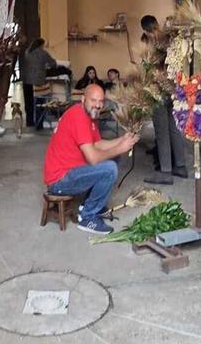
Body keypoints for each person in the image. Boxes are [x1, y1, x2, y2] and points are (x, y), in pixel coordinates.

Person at [43, 84, 139, 234]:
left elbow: (98, 144)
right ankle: (87, 216)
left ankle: (90, 204)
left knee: (114, 158)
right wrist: (120, 148)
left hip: (72, 170)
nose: (98, 105)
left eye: (101, 101)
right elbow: (94, 158)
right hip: (59, 180)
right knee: (110, 168)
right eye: (93, 100)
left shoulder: (90, 115)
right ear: (83, 99)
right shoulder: (79, 117)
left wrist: (122, 140)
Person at [138, 15, 189, 185]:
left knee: (161, 131)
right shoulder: (171, 40)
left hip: (158, 91)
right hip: (174, 89)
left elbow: (149, 69)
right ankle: (180, 167)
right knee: (174, 128)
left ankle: (165, 171)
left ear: (146, 29)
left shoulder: (153, 44)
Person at [20, 38, 71, 128]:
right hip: (37, 81)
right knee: (40, 101)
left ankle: (29, 122)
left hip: (26, 79)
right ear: (41, 45)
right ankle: (39, 124)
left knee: (28, 102)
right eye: (43, 45)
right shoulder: (43, 53)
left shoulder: (27, 52)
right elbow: (52, 64)